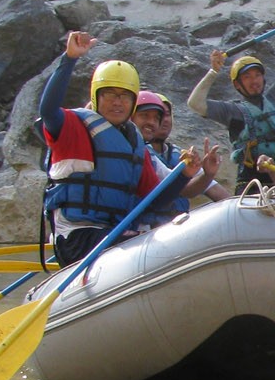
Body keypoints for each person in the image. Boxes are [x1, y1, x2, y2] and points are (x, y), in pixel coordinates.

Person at [38, 32, 203, 265]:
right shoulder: (73, 128)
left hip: (115, 233)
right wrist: (70, 58)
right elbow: (47, 110)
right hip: (78, 236)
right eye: (109, 94)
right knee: (141, 246)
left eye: (124, 96)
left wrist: (183, 175)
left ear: (133, 102)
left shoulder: (135, 145)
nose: (117, 102)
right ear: (96, 96)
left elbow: (154, 200)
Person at [188, 7, 275, 192]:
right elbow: (195, 103)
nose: (254, 81)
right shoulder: (232, 112)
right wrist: (213, 71)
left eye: (257, 75)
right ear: (237, 85)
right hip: (250, 188)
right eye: (247, 77)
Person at [134, 91, 230, 203]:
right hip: (148, 219)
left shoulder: (180, 153)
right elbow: (182, 189)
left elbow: (214, 191)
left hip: (179, 219)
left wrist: (208, 175)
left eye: (166, 114)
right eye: (146, 115)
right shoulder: (139, 150)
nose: (164, 120)